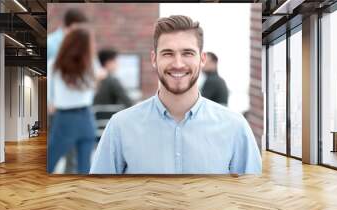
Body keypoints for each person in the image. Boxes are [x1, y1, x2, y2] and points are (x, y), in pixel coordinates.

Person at [90, 15, 262, 174]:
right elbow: (98, 198)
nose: (178, 64)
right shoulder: (120, 126)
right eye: (168, 53)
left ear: (202, 59)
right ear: (154, 59)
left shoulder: (235, 127)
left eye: (187, 53)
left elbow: (253, 200)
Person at [47, 27, 97, 174]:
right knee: (84, 168)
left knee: (49, 164)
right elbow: (92, 91)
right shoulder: (91, 65)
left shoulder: (54, 65)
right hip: (86, 118)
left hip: (64, 118)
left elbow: (50, 97)